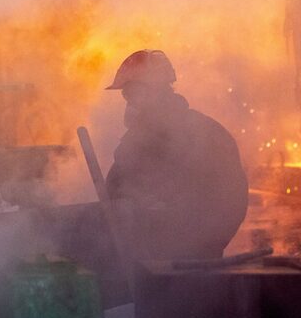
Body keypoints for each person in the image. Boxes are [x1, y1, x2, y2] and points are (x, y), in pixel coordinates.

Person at [104, 49, 248, 260]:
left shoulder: (207, 136)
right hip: (145, 262)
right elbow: (113, 198)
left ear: (154, 90)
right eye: (126, 95)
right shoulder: (133, 143)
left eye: (132, 94)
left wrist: (198, 245)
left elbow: (232, 200)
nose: (129, 103)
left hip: (195, 264)